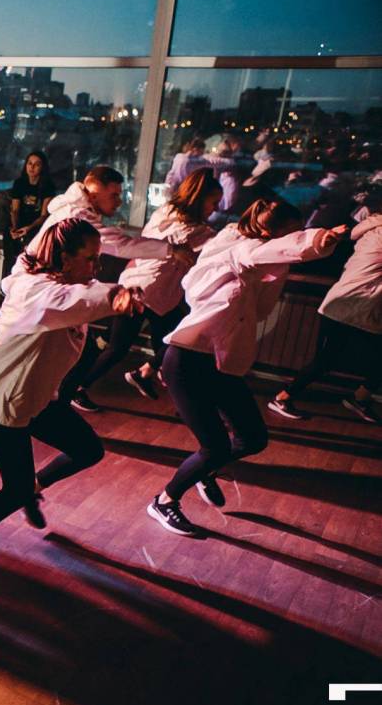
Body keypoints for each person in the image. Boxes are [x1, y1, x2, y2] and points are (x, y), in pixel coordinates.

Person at [0, 218, 143, 579]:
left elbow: (81, 292)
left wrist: (115, 290)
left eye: (99, 258)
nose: (96, 267)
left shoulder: (65, 281)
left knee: (88, 450)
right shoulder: (37, 292)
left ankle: (32, 488)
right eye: (90, 259)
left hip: (39, 396)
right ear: (64, 259)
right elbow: (66, 299)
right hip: (6, 400)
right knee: (13, 490)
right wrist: (113, 297)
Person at [146, 200, 345, 537]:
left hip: (219, 362)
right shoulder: (239, 249)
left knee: (253, 438)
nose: (289, 241)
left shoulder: (250, 261)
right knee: (215, 447)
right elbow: (271, 252)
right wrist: (317, 239)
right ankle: (164, 501)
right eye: (289, 234)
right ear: (267, 233)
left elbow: (263, 300)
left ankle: (205, 471)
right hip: (187, 362)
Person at [29, 165, 196, 412]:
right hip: (44, 294)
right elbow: (121, 245)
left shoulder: (78, 211)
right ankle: (52, 406)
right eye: (114, 195)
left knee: (78, 353)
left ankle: (53, 405)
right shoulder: (77, 217)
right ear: (94, 190)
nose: (119, 202)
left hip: (48, 293)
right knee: (73, 355)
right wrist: (171, 250)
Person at [70, 168, 223, 406]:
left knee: (172, 340)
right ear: (200, 199)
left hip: (151, 289)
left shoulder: (167, 212)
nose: (216, 208)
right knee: (124, 347)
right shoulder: (195, 230)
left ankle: (146, 374)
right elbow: (135, 245)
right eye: (214, 202)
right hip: (146, 290)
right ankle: (78, 388)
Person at [269, 212, 382, 424]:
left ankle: (359, 398)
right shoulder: (379, 234)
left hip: (358, 308)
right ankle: (282, 397)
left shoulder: (372, 229)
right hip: (343, 307)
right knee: (324, 361)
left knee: (332, 360)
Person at [4, 151, 56, 278]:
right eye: (29, 163)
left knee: (28, 269)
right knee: (10, 265)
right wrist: (15, 228)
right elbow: (15, 210)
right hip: (17, 227)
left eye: (37, 164)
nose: (32, 167)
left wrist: (29, 228)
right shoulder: (19, 183)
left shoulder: (48, 186)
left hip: (35, 230)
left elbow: (44, 215)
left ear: (42, 167)